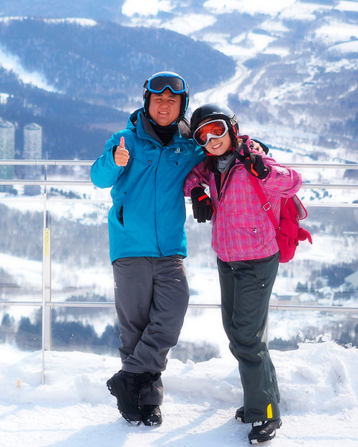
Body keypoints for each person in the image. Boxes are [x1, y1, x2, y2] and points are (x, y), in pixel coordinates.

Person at [90, 71, 204, 427]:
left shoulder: (189, 146)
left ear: (182, 105)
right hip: (129, 245)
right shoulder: (125, 140)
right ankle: (146, 401)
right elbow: (97, 177)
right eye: (158, 100)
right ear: (147, 103)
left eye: (172, 100)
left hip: (170, 248)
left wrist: (253, 147)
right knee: (135, 327)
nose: (164, 105)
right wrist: (114, 161)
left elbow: (220, 151)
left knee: (172, 312)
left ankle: (127, 380)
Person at [183, 104, 302, 444]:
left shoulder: (253, 158)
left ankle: (265, 412)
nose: (211, 139)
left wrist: (263, 171)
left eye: (217, 130)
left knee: (247, 337)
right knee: (236, 334)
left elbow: (293, 181)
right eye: (202, 136)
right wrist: (197, 191)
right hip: (227, 258)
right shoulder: (210, 165)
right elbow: (190, 177)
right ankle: (260, 397)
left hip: (258, 259)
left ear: (232, 128)